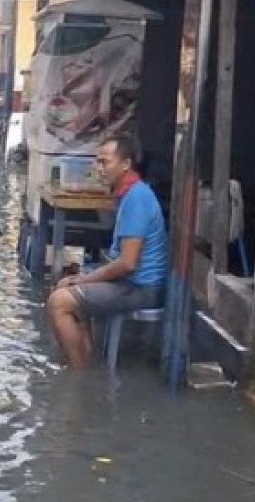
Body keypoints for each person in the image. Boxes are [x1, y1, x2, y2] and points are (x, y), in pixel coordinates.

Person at [46, 134, 169, 369]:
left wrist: (85, 279)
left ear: (125, 164)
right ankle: (85, 356)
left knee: (58, 302)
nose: (98, 168)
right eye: (97, 161)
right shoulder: (128, 193)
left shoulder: (137, 198)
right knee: (66, 284)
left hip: (140, 288)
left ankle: (77, 374)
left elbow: (127, 263)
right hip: (131, 283)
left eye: (105, 162)